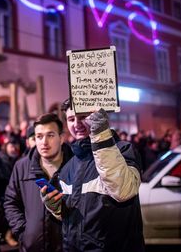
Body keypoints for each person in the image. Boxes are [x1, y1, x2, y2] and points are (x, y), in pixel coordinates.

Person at [40, 99, 145, 251]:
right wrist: (57, 209)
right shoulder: (69, 165)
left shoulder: (123, 150)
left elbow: (123, 191)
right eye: (71, 119)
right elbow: (73, 217)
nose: (76, 124)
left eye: (82, 116)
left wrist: (101, 134)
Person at [4, 113, 73, 251]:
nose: (44, 142)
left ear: (61, 138)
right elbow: (10, 202)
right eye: (39, 136)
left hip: (68, 246)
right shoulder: (22, 166)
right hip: (32, 247)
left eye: (50, 135)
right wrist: (24, 232)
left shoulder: (76, 165)